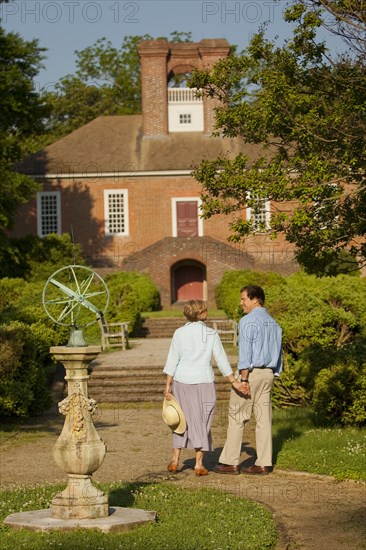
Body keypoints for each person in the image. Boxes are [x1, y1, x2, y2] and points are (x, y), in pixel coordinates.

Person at [163, 300, 246, 476]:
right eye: (205, 310)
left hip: (181, 381)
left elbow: (172, 359)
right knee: (202, 421)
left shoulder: (179, 333)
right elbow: (221, 359)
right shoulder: (211, 334)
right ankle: (199, 464)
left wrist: (168, 385)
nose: (207, 312)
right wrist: (233, 381)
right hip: (204, 382)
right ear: (200, 313)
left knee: (180, 420)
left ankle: (175, 460)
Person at [214, 285, 282, 475]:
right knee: (263, 420)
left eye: (243, 299)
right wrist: (274, 373)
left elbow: (246, 354)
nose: (241, 303)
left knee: (237, 418)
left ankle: (230, 462)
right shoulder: (274, 323)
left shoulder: (247, 321)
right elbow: (279, 354)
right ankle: (263, 463)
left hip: (250, 375)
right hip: (269, 374)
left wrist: (243, 379)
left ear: (255, 299)